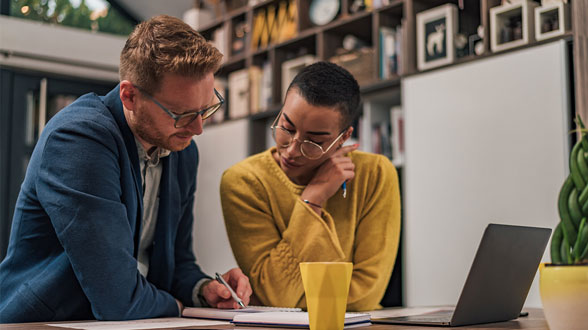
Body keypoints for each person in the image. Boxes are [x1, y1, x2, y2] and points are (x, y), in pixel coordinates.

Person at [0, 15, 251, 323]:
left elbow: (176, 262)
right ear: (129, 96)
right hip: (43, 324)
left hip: (132, 322)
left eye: (206, 109)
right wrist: (180, 307)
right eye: (182, 114)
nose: (198, 128)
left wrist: (204, 290)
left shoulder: (182, 150)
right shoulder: (79, 138)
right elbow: (116, 297)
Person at [220, 62, 401, 311]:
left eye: (314, 141)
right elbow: (275, 296)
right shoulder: (243, 181)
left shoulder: (376, 174)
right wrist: (312, 199)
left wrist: (296, 300)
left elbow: (366, 295)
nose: (292, 150)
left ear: (344, 137)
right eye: (286, 127)